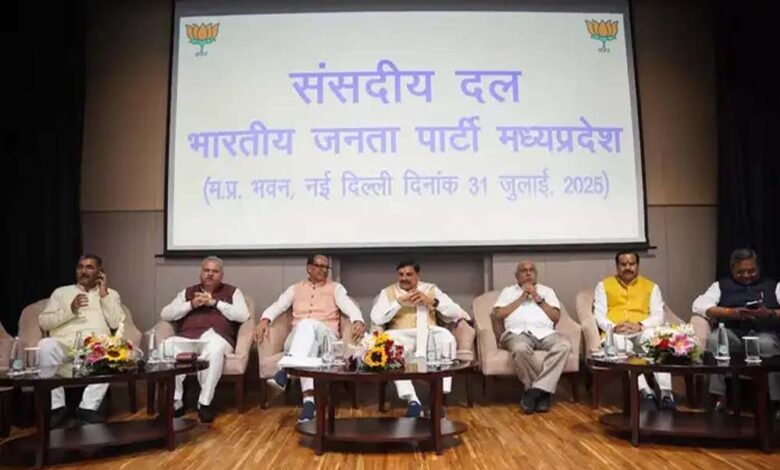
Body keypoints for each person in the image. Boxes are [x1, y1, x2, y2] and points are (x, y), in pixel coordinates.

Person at [256, 254, 366, 423]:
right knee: (307, 343)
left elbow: (350, 306)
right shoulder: (295, 289)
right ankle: (309, 404)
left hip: (326, 337)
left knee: (308, 323)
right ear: (309, 268)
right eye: (319, 266)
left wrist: (358, 320)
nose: (324, 270)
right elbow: (278, 305)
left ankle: (286, 370)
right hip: (296, 340)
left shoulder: (335, 288)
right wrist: (265, 320)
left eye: (326, 267)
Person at [370, 260, 470, 417]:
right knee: (387, 344)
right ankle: (413, 401)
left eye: (409, 274)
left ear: (417, 275)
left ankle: (437, 399)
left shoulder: (430, 289)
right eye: (401, 275)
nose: (404, 278)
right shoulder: (387, 292)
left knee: (447, 338)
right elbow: (376, 318)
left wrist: (431, 302)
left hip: (429, 332)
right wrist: (398, 302)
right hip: (401, 334)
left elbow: (456, 312)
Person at [38, 254, 125, 427]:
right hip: (64, 346)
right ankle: (57, 408)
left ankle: (88, 408)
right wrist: (70, 310)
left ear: (100, 272)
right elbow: (44, 322)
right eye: (80, 267)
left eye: (89, 267)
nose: (83, 271)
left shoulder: (111, 295)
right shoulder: (61, 293)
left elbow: (116, 322)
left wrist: (104, 294)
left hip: (94, 348)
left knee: (112, 353)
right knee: (45, 345)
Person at [160, 256, 250, 423]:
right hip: (188, 337)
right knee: (167, 346)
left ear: (221, 275)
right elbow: (165, 314)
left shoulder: (232, 292)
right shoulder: (187, 292)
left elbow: (243, 315)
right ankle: (176, 401)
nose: (210, 274)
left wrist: (215, 303)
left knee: (215, 350)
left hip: (217, 337)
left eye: (215, 271)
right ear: (200, 273)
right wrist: (191, 305)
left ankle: (205, 403)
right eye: (206, 270)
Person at [692, 248, 780, 418]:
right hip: (734, 334)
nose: (747, 275)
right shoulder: (720, 286)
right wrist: (729, 313)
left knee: (766, 344)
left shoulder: (773, 286)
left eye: (752, 271)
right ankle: (719, 396)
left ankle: (776, 400)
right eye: (741, 272)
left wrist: (768, 313)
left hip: (764, 333)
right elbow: (699, 305)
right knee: (716, 339)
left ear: (758, 268)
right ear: (732, 269)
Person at [594, 251, 676, 410]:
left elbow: (658, 315)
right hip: (616, 332)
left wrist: (640, 325)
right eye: (623, 264)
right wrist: (614, 327)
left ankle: (666, 393)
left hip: (642, 330)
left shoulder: (651, 287)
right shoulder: (603, 286)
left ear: (637, 265)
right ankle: (645, 392)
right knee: (621, 346)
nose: (628, 267)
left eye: (631, 264)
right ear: (617, 266)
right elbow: (599, 315)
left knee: (657, 342)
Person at [493, 261, 571, 414]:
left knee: (564, 345)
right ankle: (542, 393)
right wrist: (522, 298)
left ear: (536, 274)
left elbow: (555, 317)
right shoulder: (508, 292)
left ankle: (534, 392)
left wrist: (537, 298)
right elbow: (499, 314)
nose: (528, 273)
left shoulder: (547, 291)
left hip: (545, 333)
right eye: (524, 271)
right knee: (520, 349)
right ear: (517, 276)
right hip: (517, 333)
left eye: (532, 270)